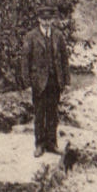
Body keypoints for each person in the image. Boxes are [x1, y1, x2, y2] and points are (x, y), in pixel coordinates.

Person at [21, 8, 70, 157]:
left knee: (53, 114)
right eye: (44, 19)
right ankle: (39, 145)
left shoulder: (58, 35)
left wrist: (66, 81)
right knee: (39, 113)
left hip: (55, 81)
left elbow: (64, 59)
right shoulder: (31, 36)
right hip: (38, 82)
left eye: (49, 20)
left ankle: (52, 143)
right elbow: (25, 61)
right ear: (39, 20)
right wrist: (27, 84)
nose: (47, 22)